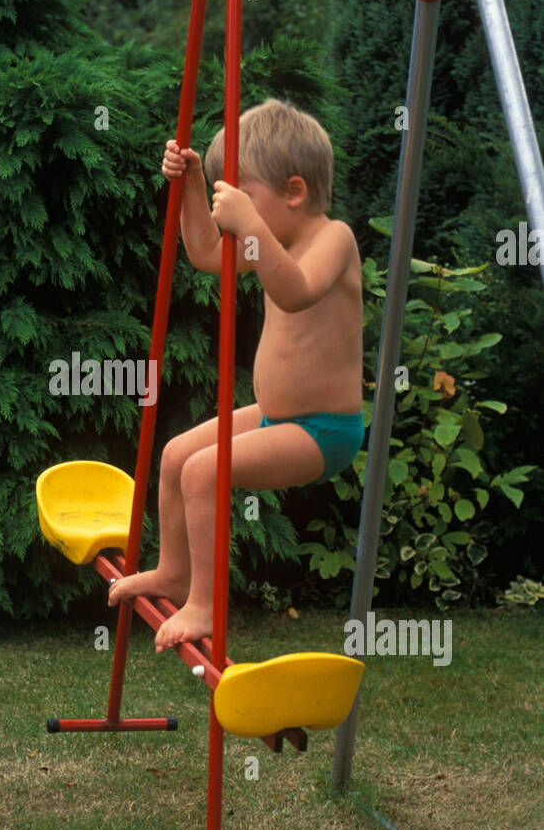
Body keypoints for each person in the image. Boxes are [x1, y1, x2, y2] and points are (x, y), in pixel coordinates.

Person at [108, 98, 364, 651]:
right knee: (177, 454)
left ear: (294, 191)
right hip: (276, 415)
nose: (235, 209)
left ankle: (205, 603)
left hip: (324, 430)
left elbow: (294, 291)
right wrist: (195, 186)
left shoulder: (333, 240)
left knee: (205, 472)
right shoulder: (270, 240)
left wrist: (248, 223)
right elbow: (203, 250)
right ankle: (174, 573)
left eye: (242, 192)